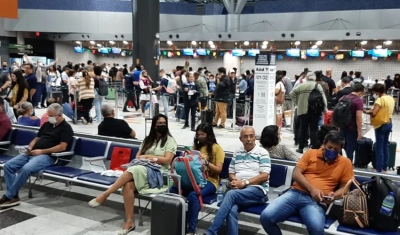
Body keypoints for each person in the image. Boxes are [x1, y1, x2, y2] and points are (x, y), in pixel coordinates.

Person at [88, 114, 177, 235]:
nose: (162, 125)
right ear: (154, 125)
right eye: (159, 123)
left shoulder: (170, 141)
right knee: (128, 185)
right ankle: (129, 221)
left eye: (164, 123)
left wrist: (148, 157)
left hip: (158, 173)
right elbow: (137, 157)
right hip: (143, 169)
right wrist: (147, 158)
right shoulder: (147, 140)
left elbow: (166, 160)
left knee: (134, 170)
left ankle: (106, 194)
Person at [260, 131, 354, 235]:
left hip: (317, 201)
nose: (332, 151)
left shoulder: (345, 163)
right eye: (330, 147)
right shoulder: (311, 153)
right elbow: (296, 173)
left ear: (341, 148)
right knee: (266, 217)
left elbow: (345, 188)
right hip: (295, 193)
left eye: (336, 149)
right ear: (324, 143)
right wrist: (312, 189)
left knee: (316, 230)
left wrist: (333, 196)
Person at [0, 103, 74, 208]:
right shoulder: (47, 125)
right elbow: (37, 138)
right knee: (8, 166)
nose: (49, 118)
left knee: (26, 169)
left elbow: (62, 147)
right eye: (48, 116)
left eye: (51, 116)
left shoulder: (66, 128)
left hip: (48, 156)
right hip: (32, 153)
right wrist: (30, 147)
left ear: (60, 115)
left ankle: (8, 196)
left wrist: (42, 151)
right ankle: (14, 196)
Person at [205, 126, 270, 235]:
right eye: (245, 136)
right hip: (240, 191)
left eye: (251, 136)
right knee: (232, 209)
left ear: (255, 138)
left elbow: (265, 176)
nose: (249, 139)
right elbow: (231, 172)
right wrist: (235, 181)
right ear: (240, 139)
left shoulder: (262, 153)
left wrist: (244, 183)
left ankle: (211, 232)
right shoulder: (237, 153)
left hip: (258, 191)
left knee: (230, 195)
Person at [170, 123, 225, 234]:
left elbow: (219, 170)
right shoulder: (196, 147)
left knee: (193, 195)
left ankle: (191, 230)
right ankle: (177, 224)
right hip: (194, 179)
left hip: (210, 181)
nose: (200, 137)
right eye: (198, 135)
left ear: (209, 135)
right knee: (173, 190)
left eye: (202, 135)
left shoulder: (217, 148)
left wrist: (206, 162)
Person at [290, 71, 327, 153]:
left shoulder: (301, 85)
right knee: (313, 129)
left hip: (302, 111)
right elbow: (323, 97)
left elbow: (291, 94)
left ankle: (300, 148)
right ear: (314, 78)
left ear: (307, 77)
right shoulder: (317, 86)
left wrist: (298, 102)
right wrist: (325, 108)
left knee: (302, 129)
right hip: (315, 111)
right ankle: (314, 147)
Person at [364, 84, 394, 173]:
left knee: (379, 147)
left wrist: (365, 111)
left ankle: (379, 168)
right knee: (385, 146)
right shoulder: (390, 98)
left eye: (374, 92)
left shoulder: (380, 100)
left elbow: (374, 113)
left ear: (376, 91)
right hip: (389, 122)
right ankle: (384, 167)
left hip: (380, 125)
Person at [339, 83, 365, 162]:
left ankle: (338, 163)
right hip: (352, 128)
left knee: (340, 146)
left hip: (341, 126)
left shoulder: (343, 98)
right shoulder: (358, 100)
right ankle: (348, 165)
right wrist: (360, 130)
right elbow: (358, 116)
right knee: (350, 147)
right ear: (360, 92)